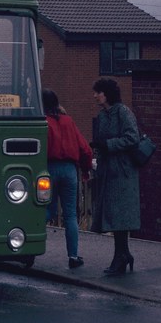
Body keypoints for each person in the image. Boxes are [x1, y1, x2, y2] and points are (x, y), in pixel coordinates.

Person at [89, 77, 142, 276]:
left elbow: (132, 138)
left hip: (122, 172)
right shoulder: (103, 116)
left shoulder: (123, 112)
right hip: (108, 171)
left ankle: (121, 256)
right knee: (114, 215)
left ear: (107, 93)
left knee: (120, 215)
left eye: (98, 92)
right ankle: (123, 254)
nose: (95, 96)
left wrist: (108, 145)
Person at [42, 89, 93, 268]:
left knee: (46, 210)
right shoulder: (69, 121)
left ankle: (25, 244)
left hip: (48, 169)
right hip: (70, 170)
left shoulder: (43, 122)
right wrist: (86, 171)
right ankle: (73, 256)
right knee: (70, 215)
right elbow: (85, 149)